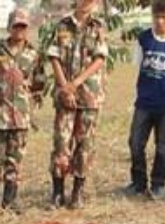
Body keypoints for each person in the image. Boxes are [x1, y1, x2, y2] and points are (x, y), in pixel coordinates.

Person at [0, 9, 44, 216]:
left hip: (21, 117)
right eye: (16, 26)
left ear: (27, 29)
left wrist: (25, 96)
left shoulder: (33, 54)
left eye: (23, 26)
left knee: (15, 160)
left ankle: (10, 201)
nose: (19, 30)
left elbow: (39, 82)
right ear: (9, 27)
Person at [47, 0, 108, 209]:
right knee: (61, 143)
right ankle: (57, 192)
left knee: (84, 145)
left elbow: (99, 59)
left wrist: (76, 83)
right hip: (65, 95)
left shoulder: (98, 27)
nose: (85, 2)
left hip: (89, 95)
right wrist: (65, 87)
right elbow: (53, 57)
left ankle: (77, 192)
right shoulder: (62, 25)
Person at [124, 0, 165, 199]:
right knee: (135, 143)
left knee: (163, 148)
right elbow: (138, 67)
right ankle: (138, 182)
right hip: (144, 103)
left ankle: (158, 184)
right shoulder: (144, 38)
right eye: (156, 16)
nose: (160, 21)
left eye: (164, 17)